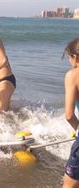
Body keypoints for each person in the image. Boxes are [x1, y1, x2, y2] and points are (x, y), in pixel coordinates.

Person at [63, 37, 79, 188]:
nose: (69, 59)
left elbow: (69, 115)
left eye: (69, 56)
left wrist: (78, 129)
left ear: (75, 56)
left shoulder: (73, 75)